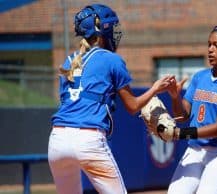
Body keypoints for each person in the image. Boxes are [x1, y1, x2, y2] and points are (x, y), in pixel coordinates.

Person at [48, 4, 173, 194]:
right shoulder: (112, 60)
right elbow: (132, 106)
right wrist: (155, 88)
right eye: (111, 26)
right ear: (101, 30)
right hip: (88, 139)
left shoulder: (68, 61)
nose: (115, 31)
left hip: (57, 141)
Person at [166, 24, 217, 194]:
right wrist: (176, 97)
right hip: (195, 149)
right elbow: (182, 116)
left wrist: (180, 134)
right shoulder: (200, 77)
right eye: (209, 44)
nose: (211, 49)